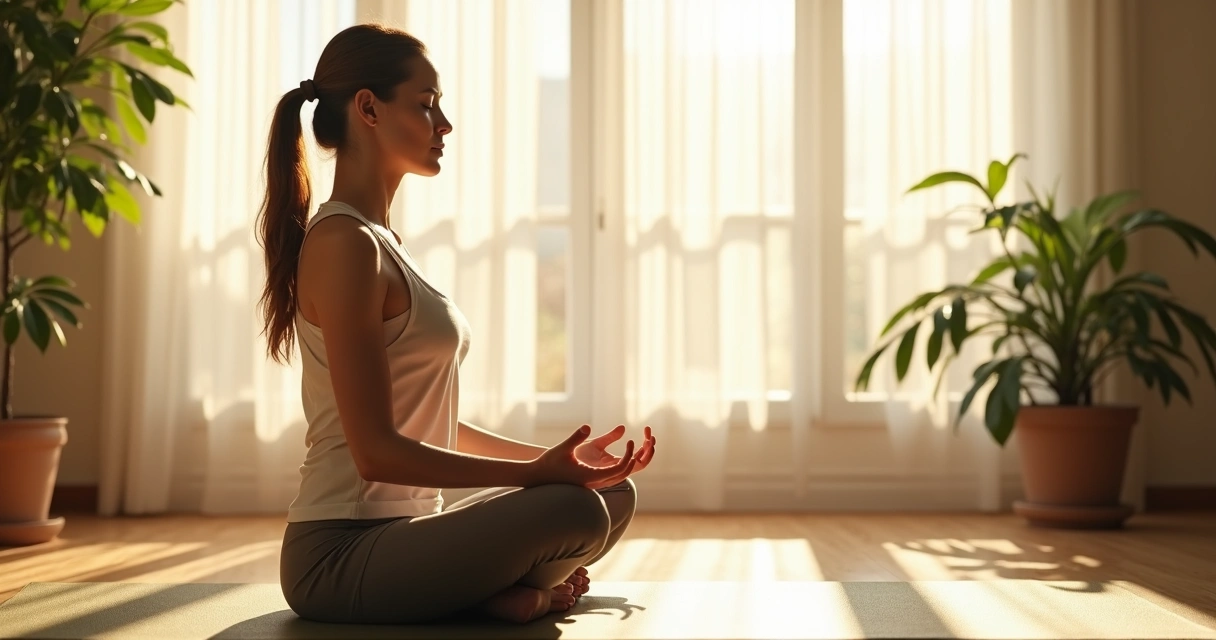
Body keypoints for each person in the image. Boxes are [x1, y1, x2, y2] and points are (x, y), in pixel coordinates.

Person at [255, 23, 657, 626]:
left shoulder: (382, 243)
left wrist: (558, 463)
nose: (444, 125)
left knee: (609, 495)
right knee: (575, 515)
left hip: (411, 536)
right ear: (368, 108)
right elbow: (376, 454)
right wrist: (534, 476)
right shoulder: (344, 244)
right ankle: (503, 593)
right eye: (426, 105)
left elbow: (432, 424)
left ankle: (489, 595)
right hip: (340, 553)